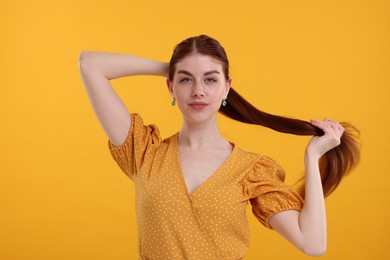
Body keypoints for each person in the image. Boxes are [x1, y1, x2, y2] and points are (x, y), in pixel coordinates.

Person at [78, 35, 360, 259]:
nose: (198, 90)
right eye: (186, 79)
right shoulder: (143, 153)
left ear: (226, 88)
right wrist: (172, 67)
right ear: (171, 88)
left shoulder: (252, 169)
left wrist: (312, 157)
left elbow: (313, 244)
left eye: (210, 79)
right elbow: (90, 64)